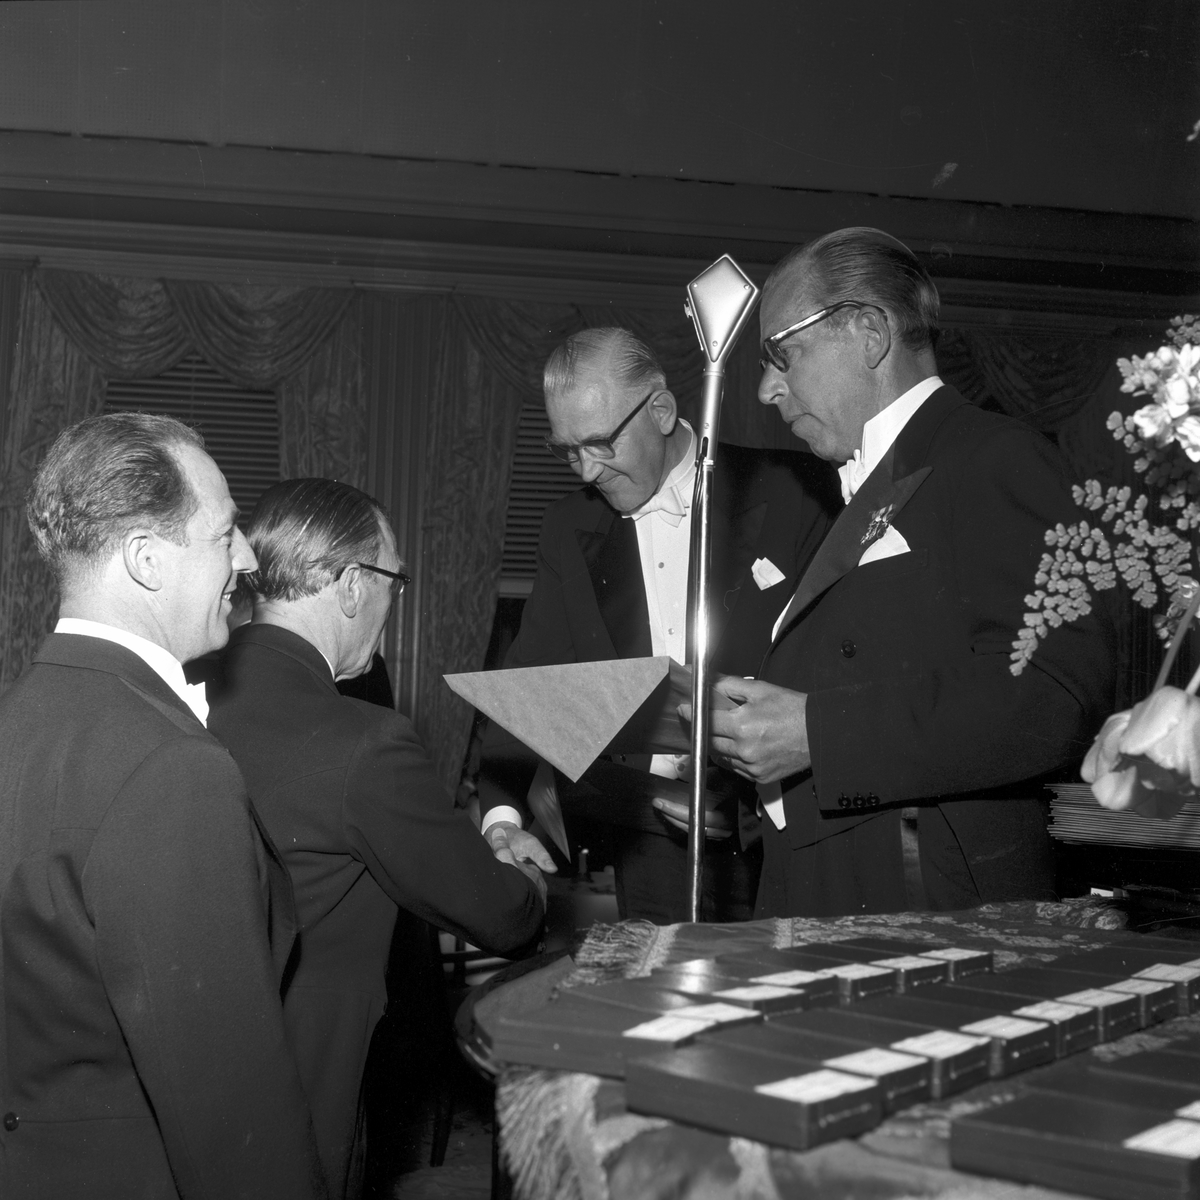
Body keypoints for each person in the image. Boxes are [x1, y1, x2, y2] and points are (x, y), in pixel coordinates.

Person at [706, 227, 1116, 917]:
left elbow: (1052, 693)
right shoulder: (854, 493)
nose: (767, 387)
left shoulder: (994, 456)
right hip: (830, 886)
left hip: (925, 896)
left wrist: (814, 733)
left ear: (868, 332)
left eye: (782, 353)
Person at [0, 413, 327, 1199]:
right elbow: (231, 1110)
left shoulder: (20, 721)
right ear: (147, 560)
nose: (247, 560)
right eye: (225, 535)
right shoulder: (173, 769)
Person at [205, 478, 546, 1200]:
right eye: (396, 580)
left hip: (201, 1076)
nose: (397, 602)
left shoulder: (189, 699)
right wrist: (525, 870)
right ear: (354, 584)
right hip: (307, 1087)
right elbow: (503, 917)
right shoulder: (363, 743)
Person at [478, 327, 839, 923]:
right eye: (567, 450)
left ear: (663, 411)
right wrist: (501, 821)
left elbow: (836, 673)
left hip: (787, 833)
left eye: (598, 443)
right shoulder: (568, 529)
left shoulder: (794, 490)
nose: (586, 472)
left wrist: (744, 802)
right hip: (650, 841)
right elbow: (529, 682)